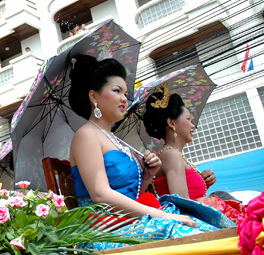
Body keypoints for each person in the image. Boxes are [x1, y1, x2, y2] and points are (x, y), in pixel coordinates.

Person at [68, 55, 200, 229]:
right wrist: (164, 216)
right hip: (106, 227)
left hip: (129, 221)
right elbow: (101, 195)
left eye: (125, 93)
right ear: (94, 96)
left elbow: (131, 193)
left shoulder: (115, 139)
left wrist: (147, 175)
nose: (124, 99)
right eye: (116, 91)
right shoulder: (86, 135)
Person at [142, 84, 246, 222]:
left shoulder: (172, 154)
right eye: (188, 119)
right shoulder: (171, 154)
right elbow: (184, 204)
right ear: (172, 123)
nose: (193, 126)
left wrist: (204, 183)